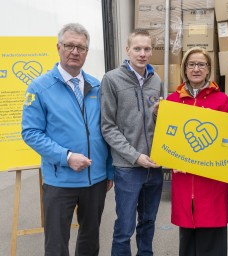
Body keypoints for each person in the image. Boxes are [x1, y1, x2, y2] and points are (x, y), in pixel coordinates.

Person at [21, 23, 114, 256]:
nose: (75, 51)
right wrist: (67, 157)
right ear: (58, 47)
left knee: (90, 240)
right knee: (56, 243)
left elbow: (107, 130)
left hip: (96, 180)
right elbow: (30, 132)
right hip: (60, 180)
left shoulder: (96, 85)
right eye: (69, 45)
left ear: (86, 52)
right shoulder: (40, 87)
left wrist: (109, 171)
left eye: (81, 47)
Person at [163, 47, 228, 256]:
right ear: (184, 68)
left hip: (211, 181)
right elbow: (167, 141)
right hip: (184, 181)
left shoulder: (222, 100)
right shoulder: (173, 101)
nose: (196, 69)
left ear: (208, 69)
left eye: (201, 64)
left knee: (212, 241)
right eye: (191, 64)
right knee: (187, 241)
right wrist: (172, 159)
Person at [100, 29, 163, 256]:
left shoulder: (156, 80)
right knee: (124, 228)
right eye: (137, 48)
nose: (143, 53)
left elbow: (162, 125)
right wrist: (135, 156)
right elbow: (107, 126)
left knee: (148, 223)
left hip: (154, 166)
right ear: (127, 50)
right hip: (128, 168)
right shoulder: (111, 79)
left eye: (147, 49)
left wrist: (159, 115)